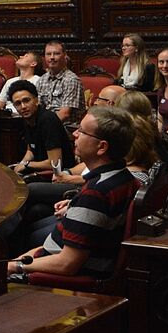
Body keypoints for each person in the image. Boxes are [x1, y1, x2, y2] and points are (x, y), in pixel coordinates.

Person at [8, 107, 140, 280]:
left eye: (82, 131)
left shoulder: (96, 193)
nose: (75, 134)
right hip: (48, 258)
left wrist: (14, 266)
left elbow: (67, 264)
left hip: (52, 278)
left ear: (102, 147)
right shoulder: (122, 176)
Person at [7, 79, 73, 176]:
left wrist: (27, 165)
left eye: (26, 100)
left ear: (36, 100)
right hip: (39, 170)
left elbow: (54, 163)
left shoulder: (48, 120)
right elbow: (31, 150)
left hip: (60, 175)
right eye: (18, 103)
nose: (23, 106)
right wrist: (20, 165)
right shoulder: (27, 119)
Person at [34, 42, 82, 121]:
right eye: (48, 54)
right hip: (45, 124)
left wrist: (44, 128)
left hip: (65, 127)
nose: (52, 57)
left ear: (65, 56)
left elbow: (65, 114)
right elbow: (37, 108)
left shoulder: (71, 80)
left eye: (56, 54)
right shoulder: (42, 80)